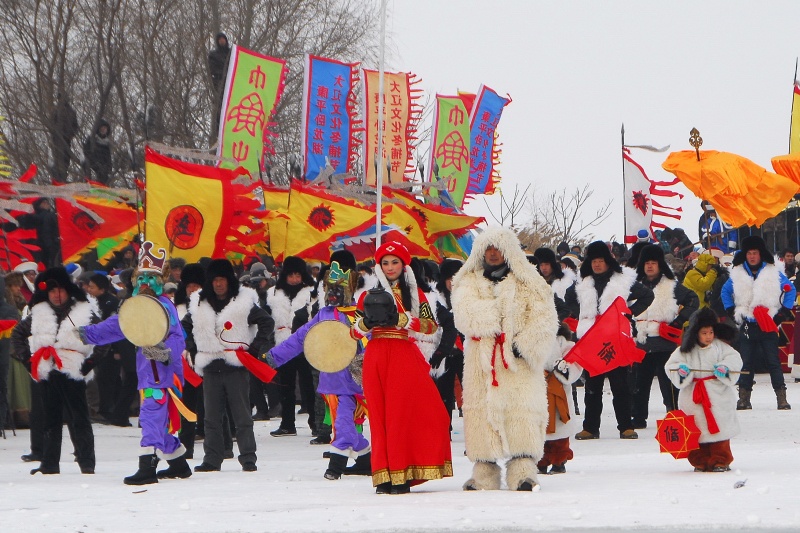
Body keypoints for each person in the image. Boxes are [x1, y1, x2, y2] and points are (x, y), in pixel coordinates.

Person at [451, 227, 558, 491]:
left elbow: (545, 318)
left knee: (521, 413)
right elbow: (465, 315)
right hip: (482, 364)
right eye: (488, 249)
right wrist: (500, 314)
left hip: (517, 363)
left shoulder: (528, 281)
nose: (493, 253)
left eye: (497, 248)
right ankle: (484, 473)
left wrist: (525, 345)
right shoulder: (469, 282)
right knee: (482, 415)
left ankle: (523, 471)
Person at [78, 242, 190, 485]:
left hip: (163, 376)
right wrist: (88, 333)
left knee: (151, 415)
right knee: (159, 419)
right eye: (142, 279)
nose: (146, 284)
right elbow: (117, 325)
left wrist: (165, 352)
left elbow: (178, 338)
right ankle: (179, 464)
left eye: (152, 278)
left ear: (162, 280)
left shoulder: (165, 306)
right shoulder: (136, 306)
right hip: (148, 373)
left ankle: (147, 466)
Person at [350, 241, 452, 494]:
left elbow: (431, 326)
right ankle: (384, 475)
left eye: (395, 262)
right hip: (375, 355)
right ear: (379, 266)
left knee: (403, 415)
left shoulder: (416, 294)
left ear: (404, 265)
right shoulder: (366, 295)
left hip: (403, 355)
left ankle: (403, 473)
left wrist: (404, 319)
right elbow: (353, 332)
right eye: (385, 263)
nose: (390, 267)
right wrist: (365, 324)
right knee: (380, 416)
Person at [265, 250, 371, 480]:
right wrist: (273, 357)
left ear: (349, 288)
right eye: (328, 289)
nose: (332, 294)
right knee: (342, 423)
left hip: (353, 382)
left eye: (337, 289)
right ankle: (365, 459)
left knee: (343, 423)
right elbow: (300, 338)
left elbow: (370, 344)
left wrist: (363, 363)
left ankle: (336, 465)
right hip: (331, 379)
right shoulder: (322, 315)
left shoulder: (358, 317)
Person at [182, 258, 274, 472]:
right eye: (214, 280)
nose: (218, 284)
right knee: (211, 418)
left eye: (222, 279)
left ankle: (248, 457)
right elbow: (185, 326)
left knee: (242, 416)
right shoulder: (199, 303)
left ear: (229, 281)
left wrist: (253, 348)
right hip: (211, 365)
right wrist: (193, 347)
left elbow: (267, 322)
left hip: (236, 366)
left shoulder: (243, 302)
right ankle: (212, 459)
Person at [11, 266, 98, 475]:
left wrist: (89, 363)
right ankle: (49, 464)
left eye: (60, 291)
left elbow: (103, 339)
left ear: (68, 291)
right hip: (48, 369)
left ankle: (87, 462)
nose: (56, 296)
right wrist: (28, 361)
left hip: (73, 369)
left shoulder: (84, 312)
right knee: (50, 420)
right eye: (51, 292)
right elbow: (17, 335)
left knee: (80, 418)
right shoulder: (38, 313)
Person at [574, 241, 654, 440]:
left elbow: (647, 296)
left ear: (608, 261)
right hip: (592, 340)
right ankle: (590, 428)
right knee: (592, 387)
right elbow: (568, 303)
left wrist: (628, 313)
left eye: (601, 260)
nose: (597, 265)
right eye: (594, 261)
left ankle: (626, 426)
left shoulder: (623, 280)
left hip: (615, 339)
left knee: (620, 386)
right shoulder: (583, 283)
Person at [721, 235, 795, 410]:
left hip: (768, 323)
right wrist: (731, 311)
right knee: (746, 362)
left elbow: (790, 290)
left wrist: (782, 313)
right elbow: (725, 292)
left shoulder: (773, 272)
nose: (752, 256)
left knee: (773, 362)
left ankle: (781, 398)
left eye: (755, 253)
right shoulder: (737, 274)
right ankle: (744, 399)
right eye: (749, 253)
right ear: (745, 255)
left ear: (761, 254)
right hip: (747, 324)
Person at [665, 308, 742, 472]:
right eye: (704, 333)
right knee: (697, 429)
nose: (708, 336)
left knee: (719, 427)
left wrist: (725, 368)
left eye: (711, 332)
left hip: (717, 395)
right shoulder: (685, 350)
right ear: (696, 333)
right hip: (693, 395)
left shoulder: (720, 347)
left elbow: (734, 359)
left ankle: (721, 459)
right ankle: (700, 460)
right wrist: (681, 371)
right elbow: (671, 366)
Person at [631, 244, 699, 429]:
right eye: (647, 263)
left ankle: (674, 413)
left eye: (653, 263)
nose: (650, 266)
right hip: (641, 342)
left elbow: (694, 300)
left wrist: (678, 322)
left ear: (660, 265)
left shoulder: (673, 286)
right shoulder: (634, 287)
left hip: (665, 342)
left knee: (669, 382)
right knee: (639, 384)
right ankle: (637, 417)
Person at [265, 256, 316, 437]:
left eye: (298, 275)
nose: (294, 279)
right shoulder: (273, 293)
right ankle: (287, 423)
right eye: (291, 275)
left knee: (308, 384)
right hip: (283, 342)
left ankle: (315, 423)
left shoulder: (312, 291)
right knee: (285, 385)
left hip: (306, 342)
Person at [538, 323, 583, 475]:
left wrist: (564, 369)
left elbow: (576, 362)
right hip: (537, 387)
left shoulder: (563, 342)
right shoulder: (530, 337)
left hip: (558, 390)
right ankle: (540, 461)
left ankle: (559, 460)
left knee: (559, 427)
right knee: (538, 427)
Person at [173, 262, 205, 457]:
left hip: (202, 358)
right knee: (187, 405)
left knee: (209, 404)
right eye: (189, 286)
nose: (192, 290)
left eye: (196, 286)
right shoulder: (175, 307)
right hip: (182, 362)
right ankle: (187, 444)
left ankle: (216, 440)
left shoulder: (206, 307)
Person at [50, 92, 80, 183]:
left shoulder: (71, 111)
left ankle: (63, 177)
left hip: (67, 140)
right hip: (57, 140)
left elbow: (76, 126)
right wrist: (55, 134)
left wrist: (70, 135)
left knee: (66, 160)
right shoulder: (55, 110)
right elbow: (51, 124)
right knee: (57, 161)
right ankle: (57, 178)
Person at [82, 119, 113, 185]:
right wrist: (93, 161)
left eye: (105, 128)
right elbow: (86, 151)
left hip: (103, 166)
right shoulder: (92, 139)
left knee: (104, 178)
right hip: (93, 162)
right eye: (102, 128)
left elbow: (108, 156)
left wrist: (109, 167)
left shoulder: (106, 143)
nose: (104, 130)